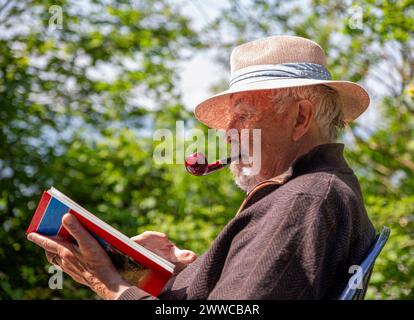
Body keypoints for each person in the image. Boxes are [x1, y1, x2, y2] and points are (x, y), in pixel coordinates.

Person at [27, 35, 376, 300]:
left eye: (242, 116)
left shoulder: (304, 200)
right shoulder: (313, 190)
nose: (227, 135)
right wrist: (181, 268)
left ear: (300, 117)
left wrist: (110, 284)